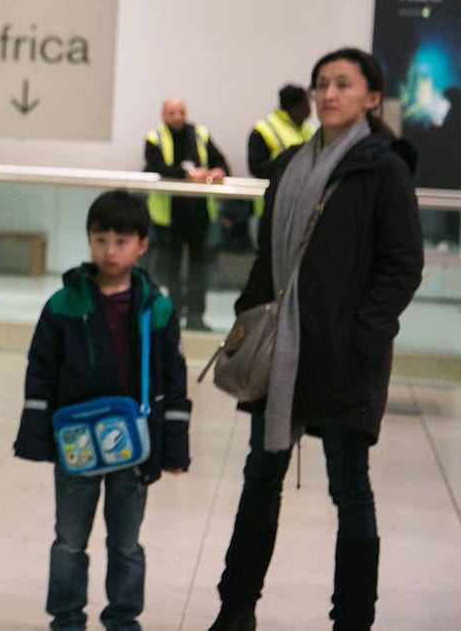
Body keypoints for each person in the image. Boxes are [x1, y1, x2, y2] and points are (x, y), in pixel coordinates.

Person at [207, 48, 423, 631]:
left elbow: (402, 266)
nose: (329, 94)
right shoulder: (288, 164)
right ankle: (237, 608)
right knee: (261, 480)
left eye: (344, 85)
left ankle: (352, 619)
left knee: (350, 488)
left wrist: (361, 336)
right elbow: (267, 258)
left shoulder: (383, 168)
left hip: (347, 356)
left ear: (371, 98)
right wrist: (246, 319)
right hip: (279, 354)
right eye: (322, 84)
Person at [14, 189, 191, 631]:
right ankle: (67, 618)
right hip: (76, 444)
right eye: (100, 239)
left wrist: (175, 451)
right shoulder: (63, 305)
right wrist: (37, 439)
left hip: (136, 446)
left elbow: (174, 383)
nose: (110, 251)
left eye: (121, 241)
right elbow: (40, 372)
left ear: (142, 245)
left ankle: (123, 618)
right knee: (69, 540)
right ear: (89, 240)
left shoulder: (159, 309)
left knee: (126, 542)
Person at [143, 96, 230, 331]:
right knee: (169, 269)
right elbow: (155, 168)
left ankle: (195, 316)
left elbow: (222, 162)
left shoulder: (200, 133)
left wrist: (217, 171)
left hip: (199, 213)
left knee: (198, 269)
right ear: (163, 115)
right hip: (169, 216)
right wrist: (187, 175)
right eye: (172, 112)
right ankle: (171, 316)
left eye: (181, 112)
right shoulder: (155, 137)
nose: (177, 117)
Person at [247, 83, 314, 179]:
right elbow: (256, 169)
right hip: (279, 189)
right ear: (295, 107)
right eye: (305, 103)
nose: (309, 108)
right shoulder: (263, 130)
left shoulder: (309, 130)